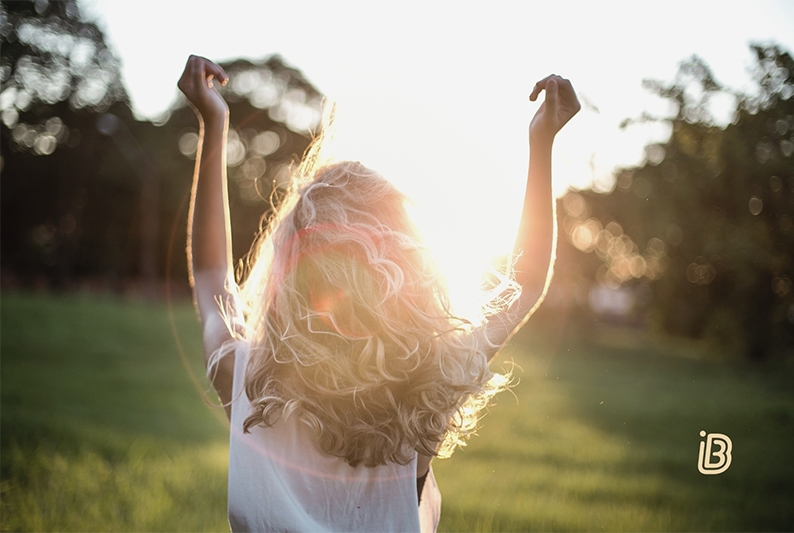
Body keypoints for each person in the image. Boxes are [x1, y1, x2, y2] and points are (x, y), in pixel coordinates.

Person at [178, 54, 579, 532]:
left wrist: (213, 122)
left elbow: (212, 276)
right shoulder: (427, 389)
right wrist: (542, 143)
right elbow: (525, 279)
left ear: (287, 274)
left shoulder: (246, 379)